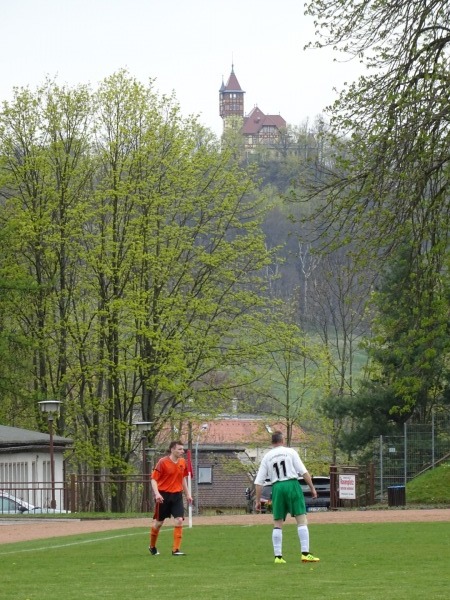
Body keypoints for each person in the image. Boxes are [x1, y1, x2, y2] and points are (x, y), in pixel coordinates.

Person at [254, 431, 320, 565]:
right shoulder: (290, 452)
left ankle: (278, 557)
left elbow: (259, 482)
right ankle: (305, 554)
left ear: (272, 442)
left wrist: (257, 501)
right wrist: (312, 488)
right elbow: (304, 472)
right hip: (292, 485)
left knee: (277, 522)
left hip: (277, 487)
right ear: (282, 440)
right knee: (301, 519)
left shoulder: (267, 457)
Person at [149, 440, 193, 556]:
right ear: (172, 449)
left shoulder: (183, 462)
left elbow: (182, 479)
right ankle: (152, 546)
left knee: (179, 520)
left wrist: (188, 494)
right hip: (163, 496)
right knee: (158, 523)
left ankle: (176, 550)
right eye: (179, 449)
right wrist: (157, 494)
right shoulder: (162, 462)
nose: (182, 451)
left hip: (177, 496)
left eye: (182, 449)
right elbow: (153, 479)